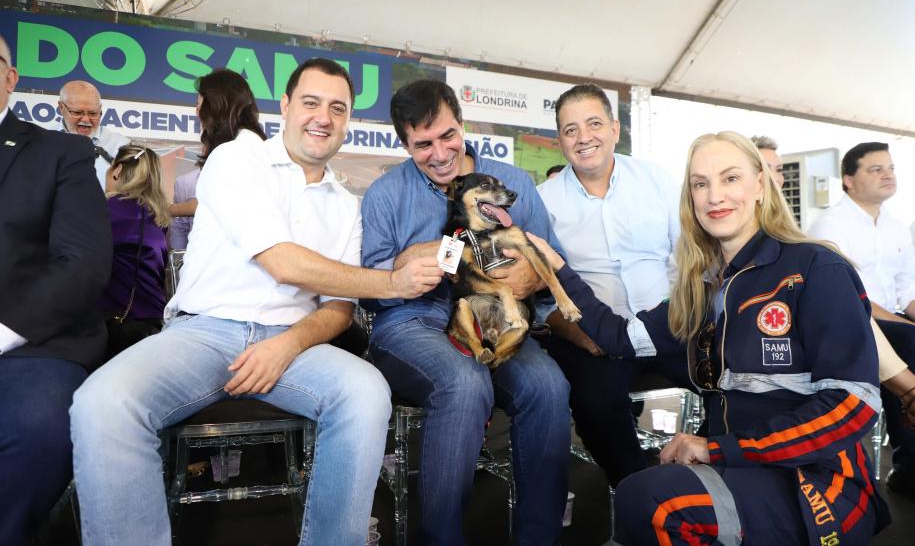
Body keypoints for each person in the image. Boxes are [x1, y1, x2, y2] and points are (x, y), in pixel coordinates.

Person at [70, 58, 443, 546]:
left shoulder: (346, 206)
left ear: (348, 119)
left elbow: (338, 308)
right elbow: (282, 262)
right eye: (310, 102)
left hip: (292, 346)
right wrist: (393, 282)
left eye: (337, 108)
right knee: (102, 404)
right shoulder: (236, 159)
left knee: (365, 391)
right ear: (285, 106)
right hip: (202, 332)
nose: (323, 118)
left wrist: (287, 345)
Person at [528, 131, 890, 545]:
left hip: (816, 483)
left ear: (760, 185)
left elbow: (851, 407)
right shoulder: (704, 287)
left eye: (730, 178)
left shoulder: (815, 266)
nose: (714, 195)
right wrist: (557, 270)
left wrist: (718, 449)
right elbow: (618, 339)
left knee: (651, 500)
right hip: (742, 469)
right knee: (635, 503)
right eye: (701, 184)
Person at [361, 79, 570, 544]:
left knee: (548, 386)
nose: (439, 153)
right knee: (463, 381)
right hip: (412, 320)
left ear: (463, 123)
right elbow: (370, 292)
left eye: (448, 136)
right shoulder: (385, 194)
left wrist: (526, 280)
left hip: (496, 317)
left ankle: (540, 537)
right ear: (404, 143)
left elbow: (551, 263)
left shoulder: (512, 183)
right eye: (423, 144)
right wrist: (405, 268)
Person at [537, 83, 683, 485]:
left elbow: (691, 258)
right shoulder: (543, 202)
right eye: (570, 130)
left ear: (616, 129)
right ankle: (640, 493)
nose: (584, 138)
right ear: (559, 141)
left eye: (594, 124)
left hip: (667, 325)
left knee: (731, 375)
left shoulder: (657, 181)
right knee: (596, 401)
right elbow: (537, 297)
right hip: (594, 337)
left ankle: (710, 480)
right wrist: (580, 336)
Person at [0, 35, 112, 545]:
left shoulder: (60, 152)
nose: (86, 118)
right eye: (79, 111)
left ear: (10, 77)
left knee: (38, 430)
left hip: (31, 343)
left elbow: (84, 264)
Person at [808, 141, 915, 499]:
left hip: (893, 319)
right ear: (848, 180)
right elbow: (855, 301)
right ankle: (909, 467)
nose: (888, 175)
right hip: (852, 324)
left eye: (891, 168)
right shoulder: (830, 225)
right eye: (876, 169)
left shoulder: (898, 227)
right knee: (910, 344)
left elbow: (907, 292)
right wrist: (907, 326)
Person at [168, 68, 268, 249]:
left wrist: (167, 209)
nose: (197, 111)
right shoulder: (246, 146)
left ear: (215, 105)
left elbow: (207, 206)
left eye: (200, 104)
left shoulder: (232, 152)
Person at [101, 144, 170, 358]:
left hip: (114, 322)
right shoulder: (158, 217)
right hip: (154, 321)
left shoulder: (105, 209)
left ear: (118, 170)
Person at [58, 80, 130, 190]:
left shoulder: (121, 146)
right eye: (78, 112)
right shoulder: (41, 139)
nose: (86, 119)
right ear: (61, 108)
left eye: (93, 113)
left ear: (100, 109)